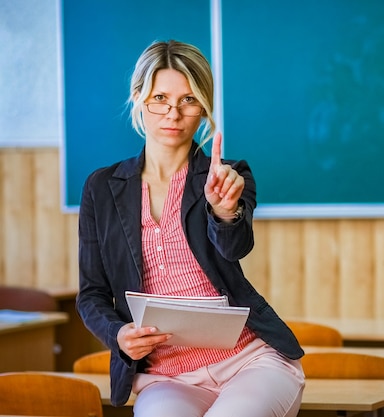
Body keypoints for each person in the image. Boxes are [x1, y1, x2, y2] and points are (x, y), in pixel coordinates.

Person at [76, 40, 305, 417]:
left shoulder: (227, 176)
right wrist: (118, 335)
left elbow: (235, 249)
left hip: (249, 363)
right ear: (138, 99)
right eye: (160, 98)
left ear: (203, 107)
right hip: (166, 377)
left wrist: (224, 210)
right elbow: (92, 294)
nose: (173, 113)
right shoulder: (101, 188)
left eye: (188, 100)